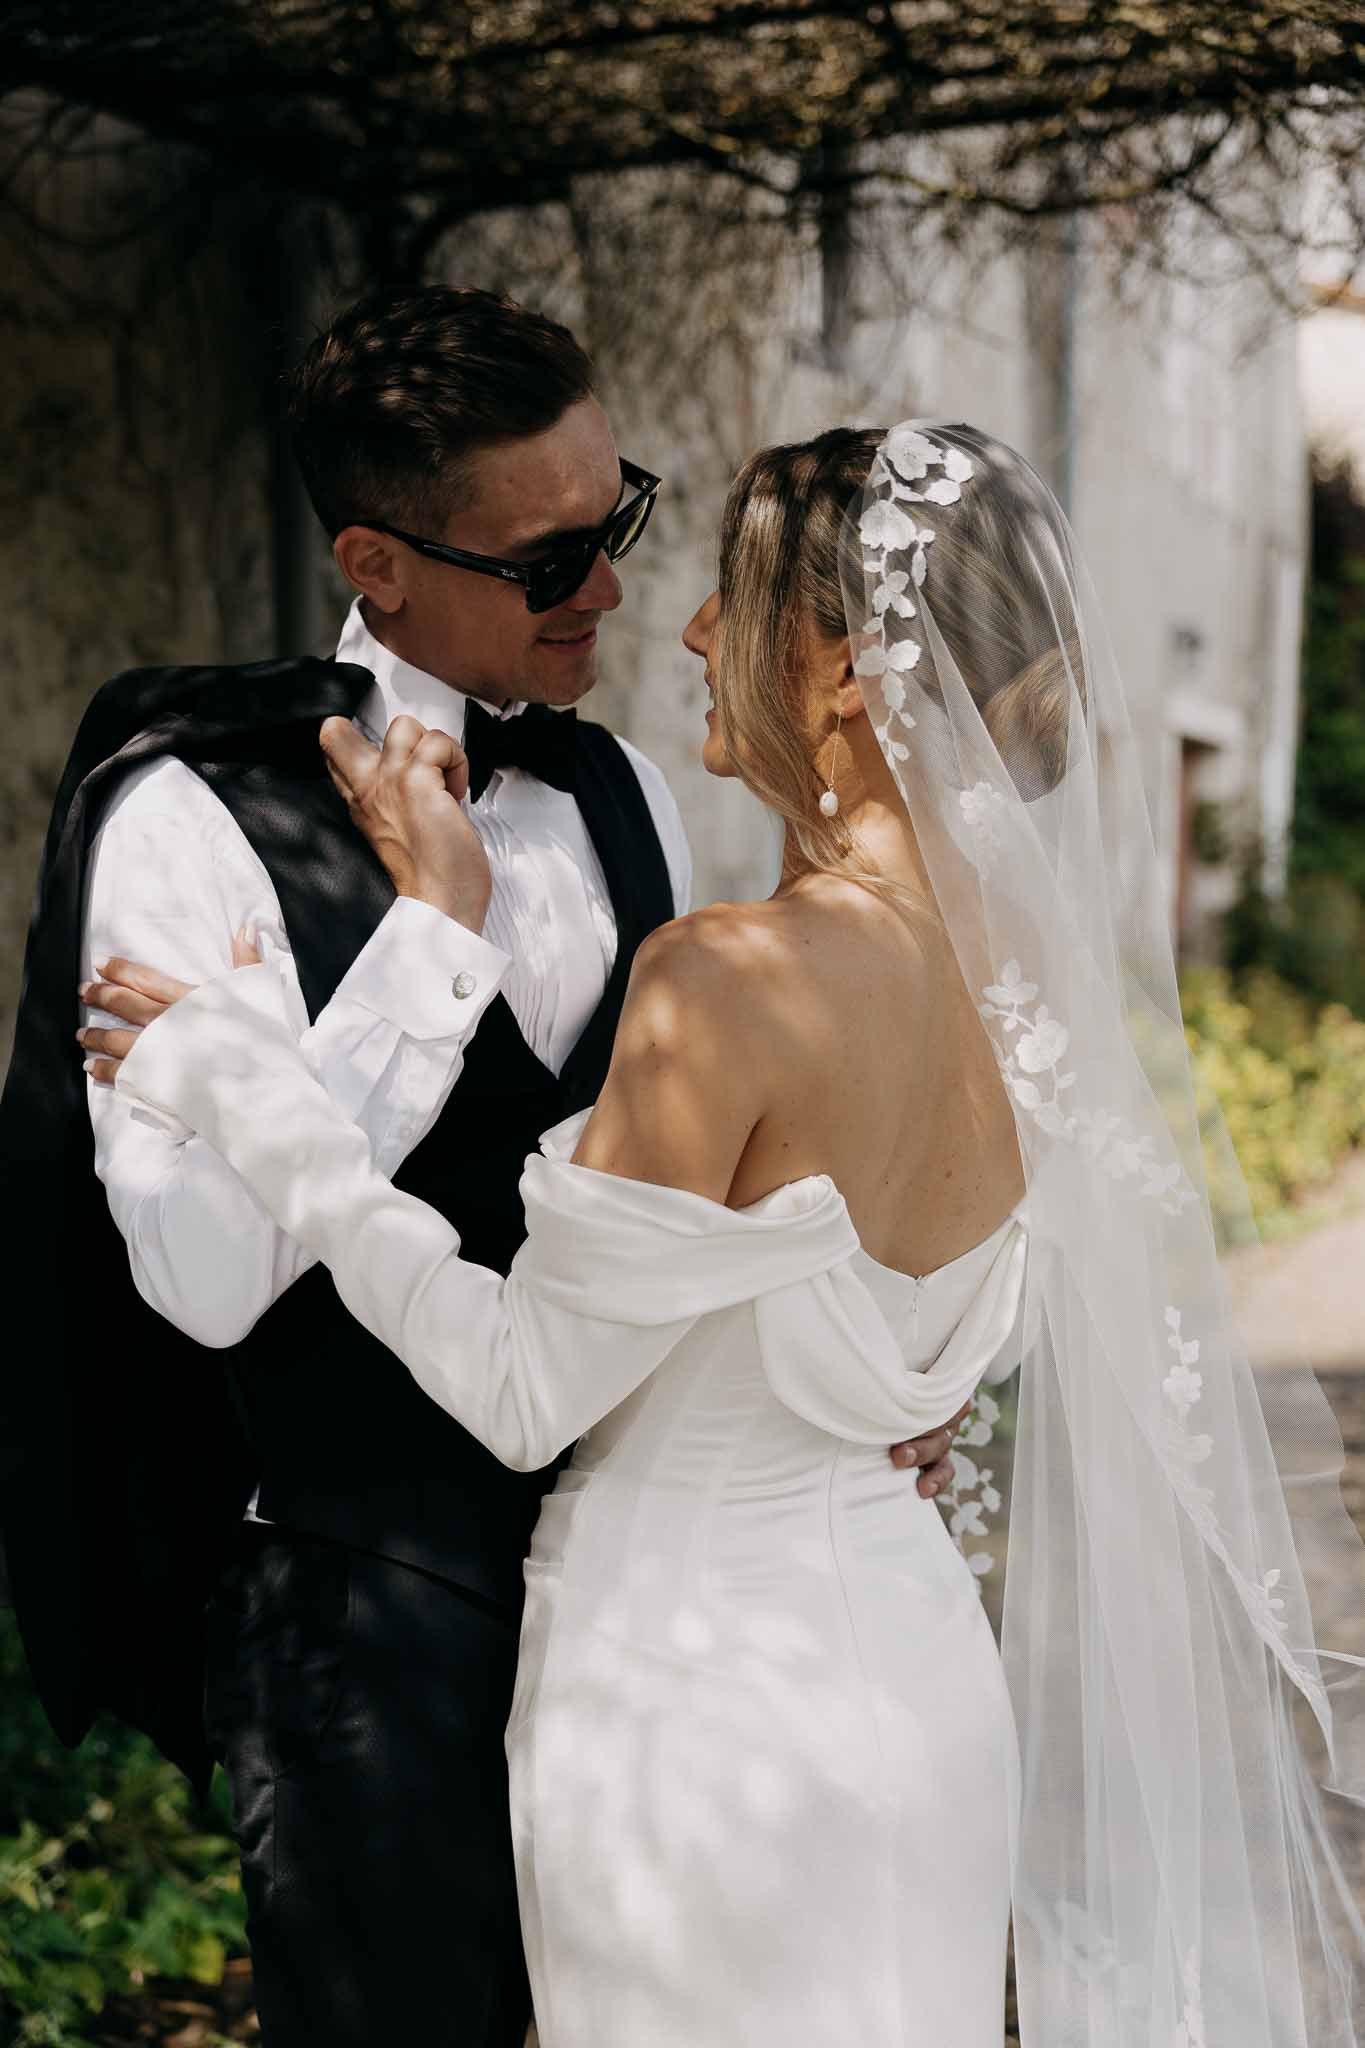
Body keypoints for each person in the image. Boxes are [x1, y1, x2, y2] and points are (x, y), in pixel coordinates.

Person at [92, 422, 1365, 2047]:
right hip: (912, 1675)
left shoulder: (727, 976)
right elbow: (887, 1340)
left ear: (840, 669)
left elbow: (526, 1389)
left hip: (696, 1700)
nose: (686, 631)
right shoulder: (1021, 998)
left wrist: (252, 1093)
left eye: (733, 599)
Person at [1, 292, 953, 2048]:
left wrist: (854, 1362)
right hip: (371, 1625)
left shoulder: (633, 800)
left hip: (663, 1626)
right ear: (376, 560)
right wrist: (429, 944)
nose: (611, 592)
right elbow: (206, 1281)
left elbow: (731, 1181)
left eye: (623, 518)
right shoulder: (187, 816)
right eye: (551, 556)